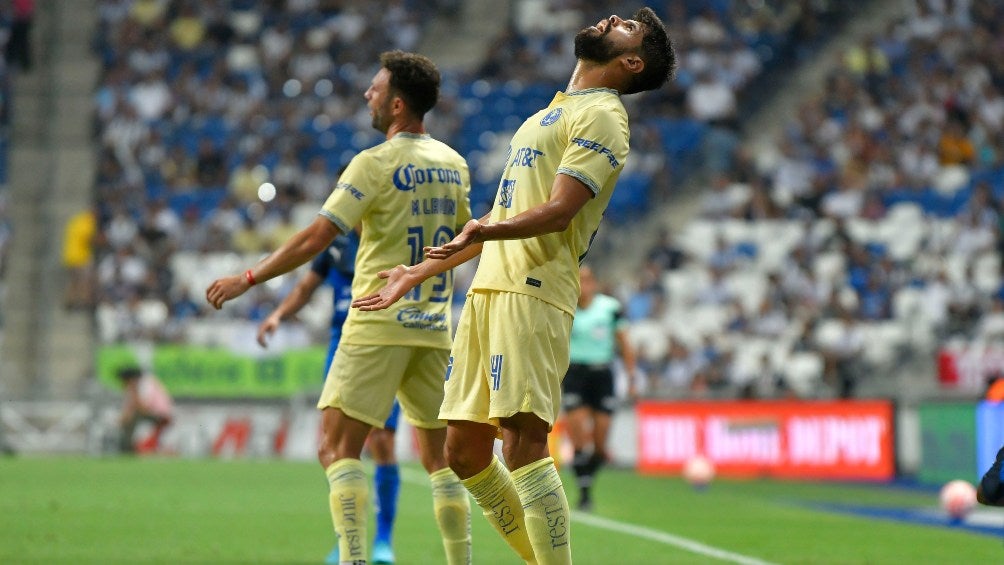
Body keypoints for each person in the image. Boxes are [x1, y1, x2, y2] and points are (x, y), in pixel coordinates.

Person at [353, 11, 675, 564]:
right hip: (489, 290)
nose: (613, 17)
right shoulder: (553, 112)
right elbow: (502, 215)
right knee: (462, 450)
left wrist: (488, 228)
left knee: (524, 442)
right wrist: (418, 272)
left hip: (533, 288)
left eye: (627, 27)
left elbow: (558, 213)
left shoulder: (604, 115)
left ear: (631, 62)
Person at [206, 51, 472, 565]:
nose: (367, 96)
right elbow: (465, 241)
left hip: (376, 322)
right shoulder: (454, 164)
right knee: (442, 461)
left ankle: (352, 559)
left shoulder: (373, 163)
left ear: (397, 105)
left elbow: (317, 237)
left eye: (375, 90)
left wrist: (249, 277)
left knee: (335, 448)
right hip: (434, 327)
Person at [256, 231, 402, 564]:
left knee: (382, 441)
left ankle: (383, 540)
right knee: (335, 447)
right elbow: (306, 287)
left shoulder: (392, 228)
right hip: (342, 343)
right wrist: (278, 315)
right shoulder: (334, 240)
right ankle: (347, 539)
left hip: (384, 338)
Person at [562, 264, 637, 512]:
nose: (583, 285)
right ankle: (584, 492)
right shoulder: (565, 307)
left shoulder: (609, 309)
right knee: (579, 435)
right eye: (579, 280)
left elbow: (624, 343)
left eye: (587, 280)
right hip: (575, 373)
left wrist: (632, 377)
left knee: (600, 442)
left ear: (594, 283)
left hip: (602, 374)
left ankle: (588, 479)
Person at [116, 366, 173, 454]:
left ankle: (128, 447)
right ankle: (126, 446)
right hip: (148, 414)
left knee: (134, 416)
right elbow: (129, 408)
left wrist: (133, 392)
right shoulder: (132, 389)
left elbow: (143, 407)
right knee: (129, 418)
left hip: (161, 415)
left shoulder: (146, 384)